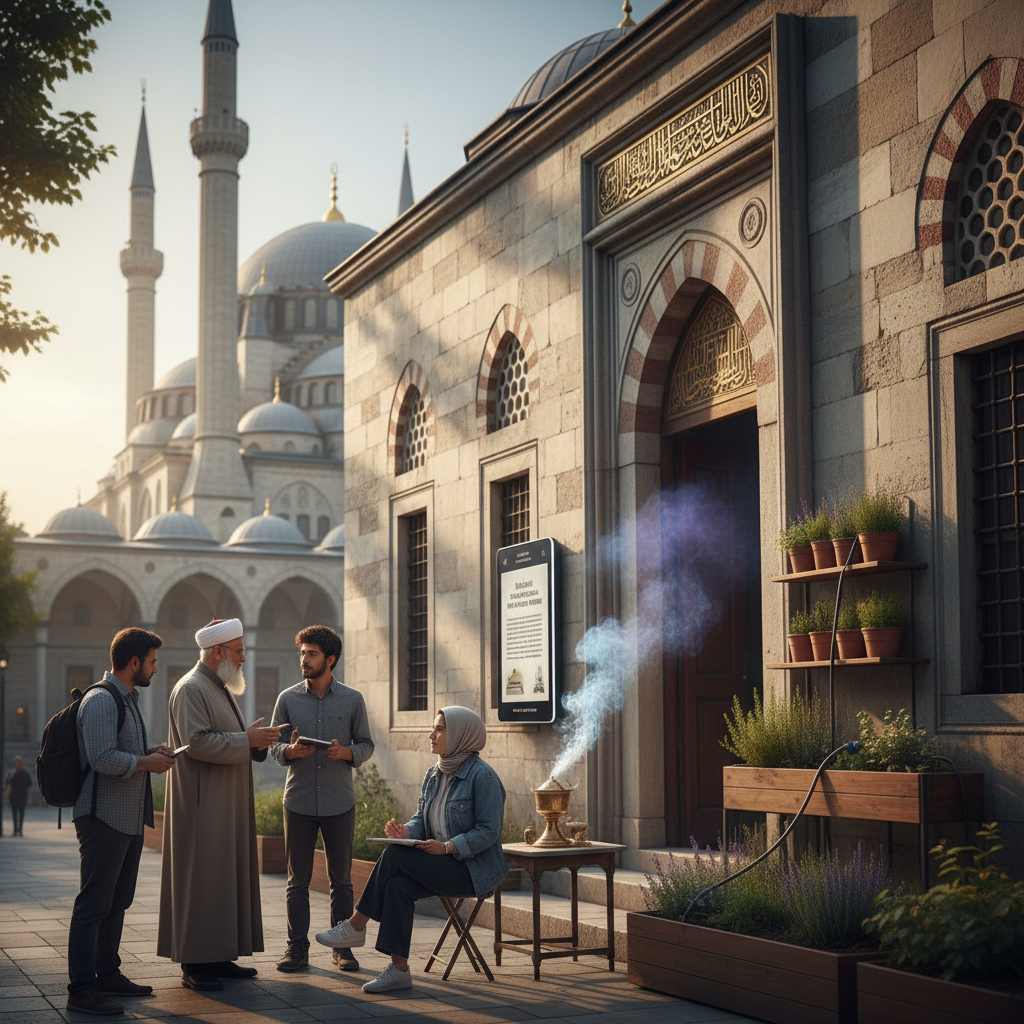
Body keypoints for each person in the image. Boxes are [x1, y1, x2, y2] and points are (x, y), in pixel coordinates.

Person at [315, 706, 507, 994]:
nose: (431, 734)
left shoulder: (484, 778)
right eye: (434, 728)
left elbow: (488, 831)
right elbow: (422, 819)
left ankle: (356, 925)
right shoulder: (434, 773)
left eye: (440, 729)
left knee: (395, 856)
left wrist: (446, 847)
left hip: (473, 871)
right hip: (443, 863)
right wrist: (406, 831)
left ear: (460, 736)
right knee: (397, 886)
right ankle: (399, 971)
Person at [156, 617, 287, 992]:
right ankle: (195, 964)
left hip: (222, 804)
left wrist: (255, 741)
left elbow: (228, 738)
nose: (244, 658)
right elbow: (197, 742)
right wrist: (246, 739)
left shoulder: (218, 686)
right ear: (219, 652)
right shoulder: (191, 688)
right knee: (201, 881)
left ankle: (218, 955)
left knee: (221, 881)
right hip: (202, 808)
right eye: (240, 651)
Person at [66, 627, 177, 1017]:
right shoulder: (101, 699)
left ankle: (108, 975)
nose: (155, 669)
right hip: (102, 818)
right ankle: (81, 989)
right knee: (93, 905)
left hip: (126, 820)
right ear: (134, 663)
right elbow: (101, 758)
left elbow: (122, 752)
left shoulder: (127, 699)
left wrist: (149, 753)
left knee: (116, 903)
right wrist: (145, 763)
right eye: (152, 662)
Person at [269, 625, 374, 973]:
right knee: (296, 881)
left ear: (329, 660)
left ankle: (342, 949)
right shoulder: (287, 699)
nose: (304, 659)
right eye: (302, 653)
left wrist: (347, 752)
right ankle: (296, 948)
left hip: (338, 802)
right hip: (297, 801)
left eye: (311, 654)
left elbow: (366, 744)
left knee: (341, 881)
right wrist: (290, 751)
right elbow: (273, 745)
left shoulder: (353, 699)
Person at [5, 755, 32, 835]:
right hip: (13, 796)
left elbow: (29, 783)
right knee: (14, 814)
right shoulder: (11, 773)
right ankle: (15, 830)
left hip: (22, 796)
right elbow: (7, 783)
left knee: (21, 814)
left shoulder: (25, 773)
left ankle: (20, 830)